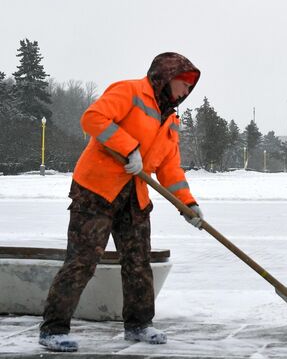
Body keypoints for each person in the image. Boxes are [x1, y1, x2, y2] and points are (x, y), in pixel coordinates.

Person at [38, 52, 205, 352]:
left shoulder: (171, 120)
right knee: (82, 261)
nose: (186, 92)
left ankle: (140, 325)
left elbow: (170, 169)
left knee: (139, 263)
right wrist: (129, 148)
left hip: (135, 195)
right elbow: (92, 119)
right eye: (183, 84)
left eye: (190, 88)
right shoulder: (129, 91)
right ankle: (53, 328)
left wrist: (187, 204)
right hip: (96, 191)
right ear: (165, 77)